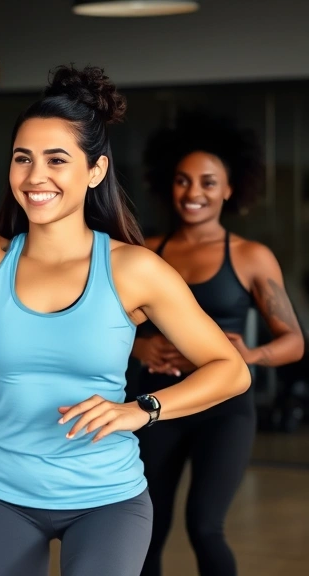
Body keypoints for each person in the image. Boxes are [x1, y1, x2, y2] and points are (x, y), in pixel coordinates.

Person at [0, 3, 252, 575]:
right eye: (22, 159)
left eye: (56, 159)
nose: (35, 176)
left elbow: (230, 370)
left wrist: (142, 410)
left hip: (107, 498)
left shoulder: (132, 269)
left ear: (95, 171)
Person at [131, 112, 305, 576]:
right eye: (183, 180)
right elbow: (105, 327)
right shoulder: (144, 251)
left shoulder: (250, 256)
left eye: (208, 182)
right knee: (146, 527)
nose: (194, 192)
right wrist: (138, 348)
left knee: (205, 527)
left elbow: (293, 342)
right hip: (158, 402)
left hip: (224, 408)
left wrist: (250, 356)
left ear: (229, 188)